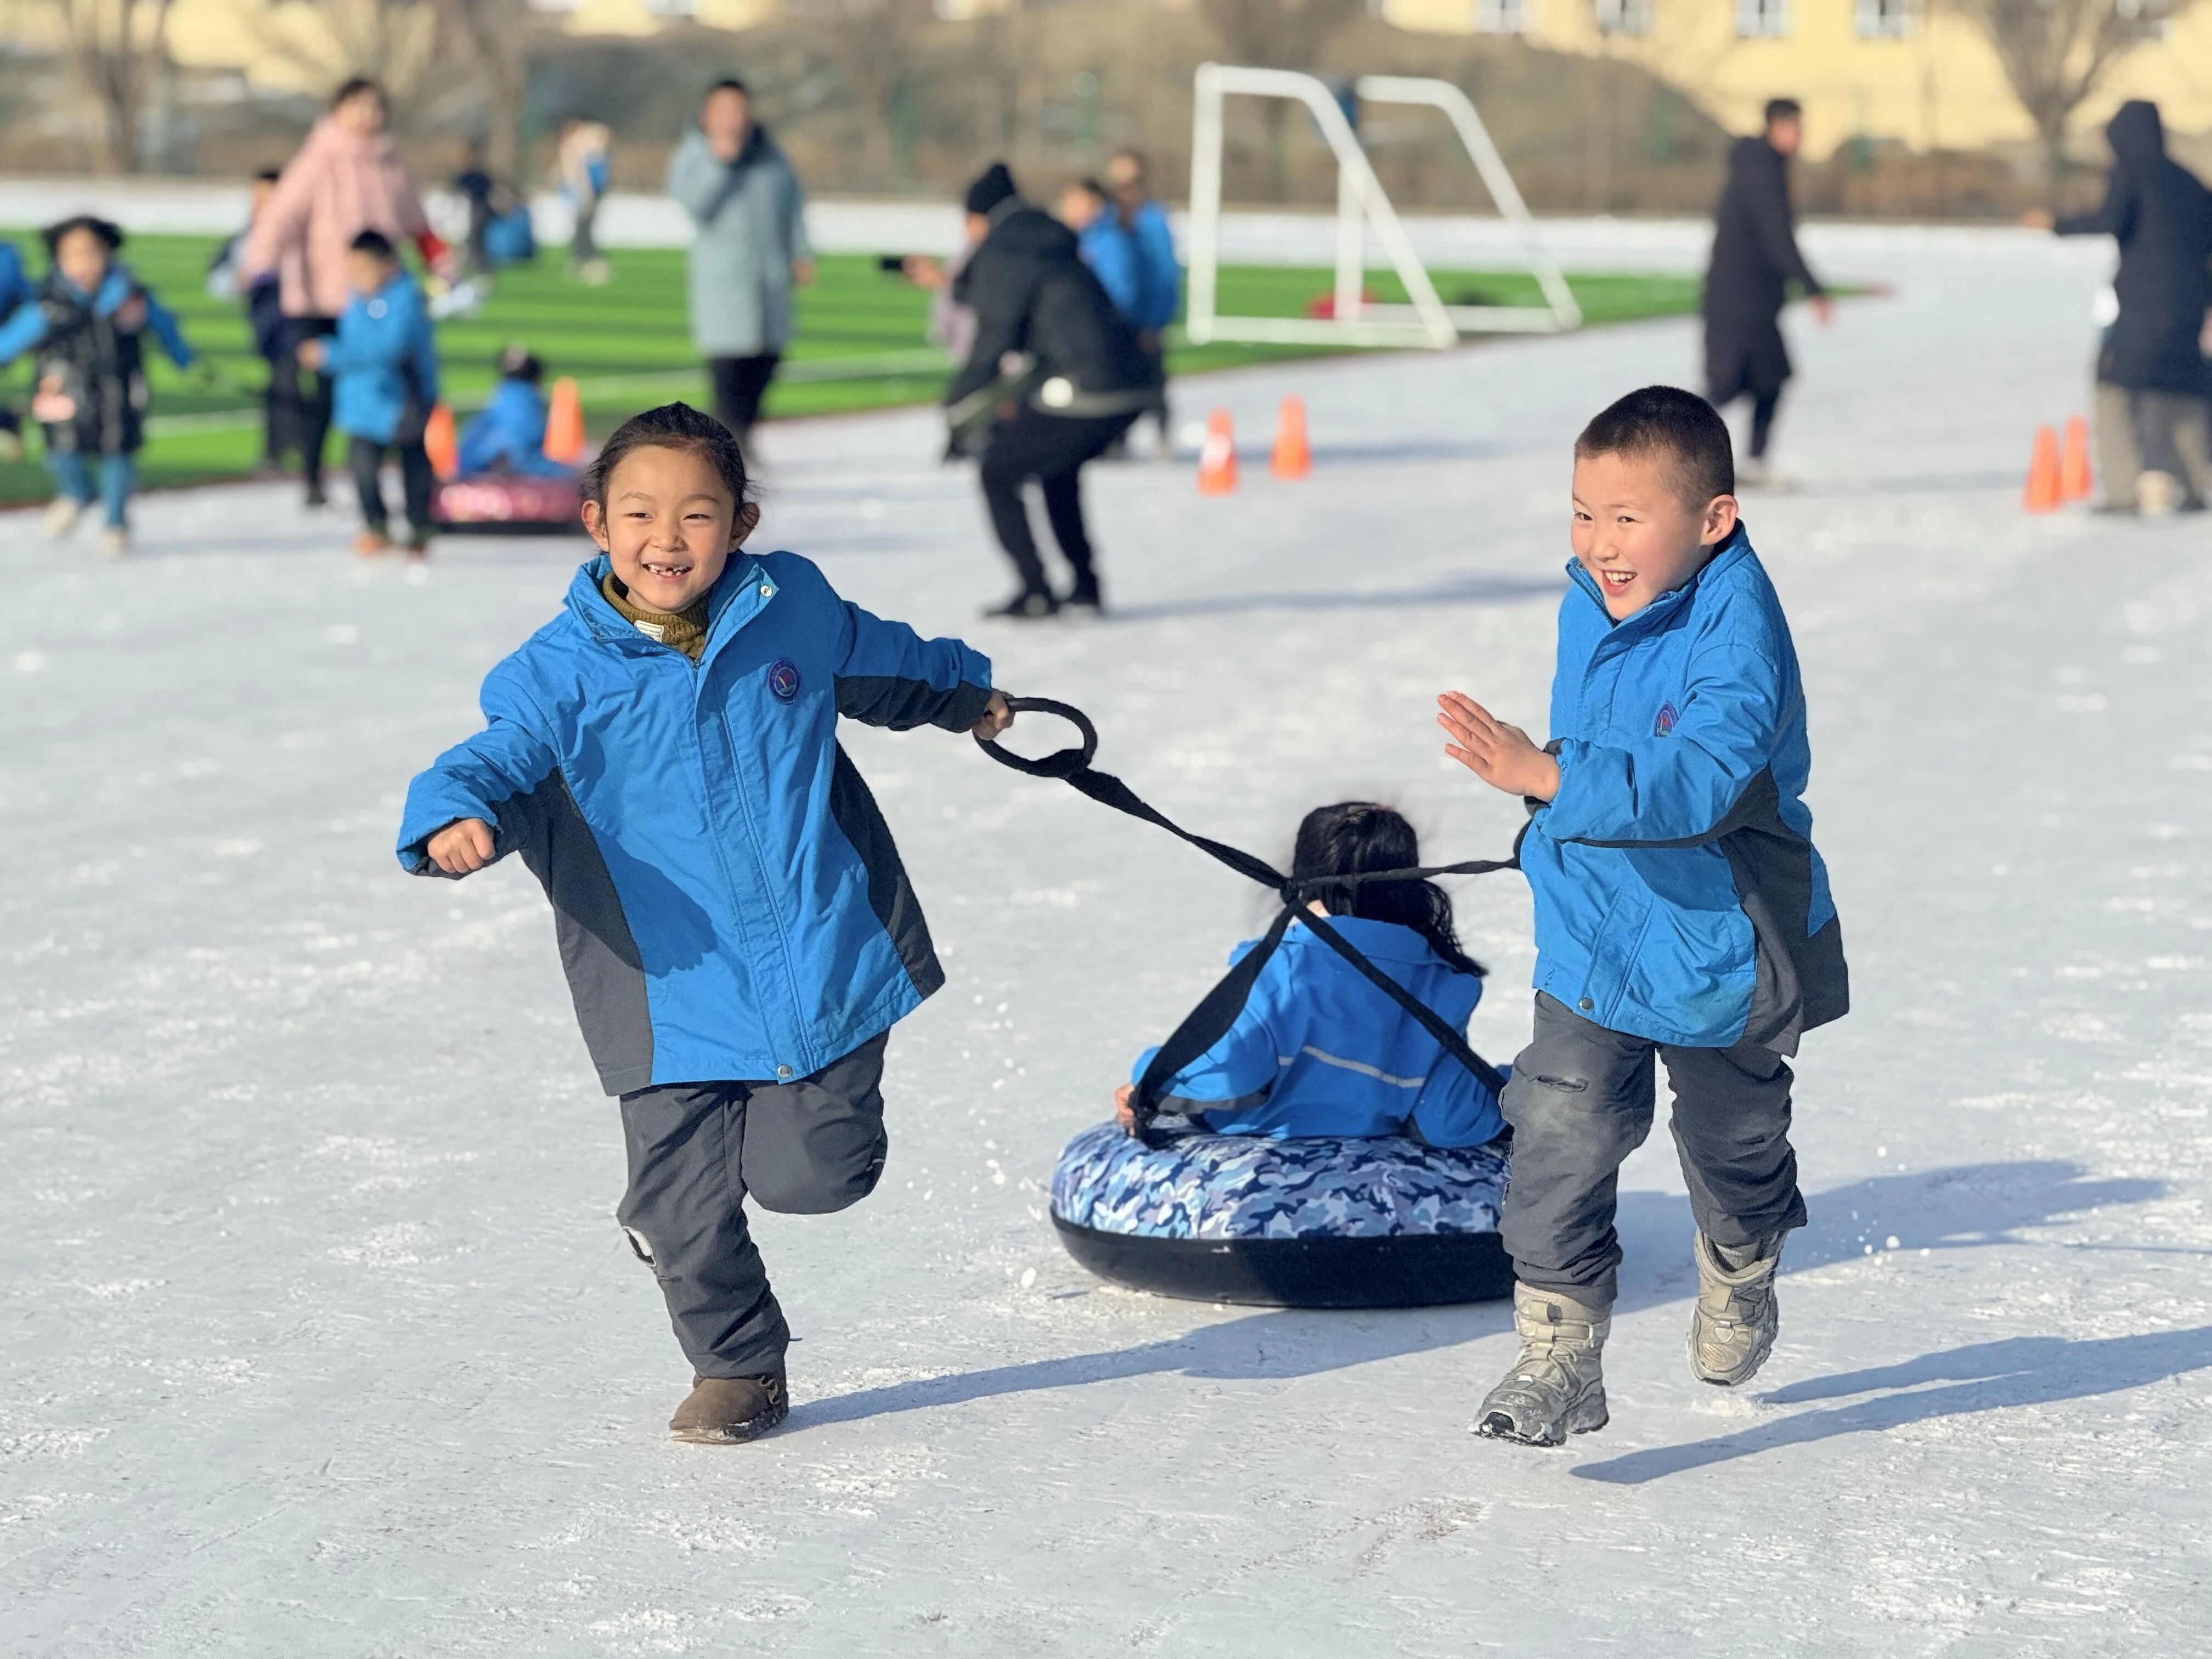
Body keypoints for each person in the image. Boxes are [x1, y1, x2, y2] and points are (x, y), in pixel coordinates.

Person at [394, 401, 1014, 1444]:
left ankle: (728, 1204)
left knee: (813, 1177)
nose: (666, 538)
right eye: (639, 513)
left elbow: (882, 660)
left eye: (696, 513)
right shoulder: (556, 674)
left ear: (742, 520)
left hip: (819, 952)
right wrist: (452, 813)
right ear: (595, 522)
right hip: (661, 981)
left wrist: (969, 693)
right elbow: (492, 759)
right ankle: (736, 1363)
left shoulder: (792, 608)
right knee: (679, 1205)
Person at [1436, 385, 1847, 1448]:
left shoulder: (1739, 627)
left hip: (1719, 935)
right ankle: (1560, 1352)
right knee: (1561, 1122)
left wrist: (1547, 774)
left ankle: (1743, 1256)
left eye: (1628, 519)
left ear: (1714, 520)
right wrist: (1549, 802)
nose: (1600, 544)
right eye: (1582, 513)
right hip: (1595, 925)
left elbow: (1701, 779)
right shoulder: (1594, 597)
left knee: (1733, 1139)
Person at [1110, 802, 1505, 1148]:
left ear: (1301, 877)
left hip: (1258, 1183)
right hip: (1382, 1202)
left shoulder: (1280, 972)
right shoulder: (1441, 985)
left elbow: (1233, 1070)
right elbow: (1448, 1120)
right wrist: (1522, 1089)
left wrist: (1149, 1081)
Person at [946, 161, 1153, 619]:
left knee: (998, 472)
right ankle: (1085, 587)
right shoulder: (1041, 237)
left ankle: (1036, 590)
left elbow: (994, 338)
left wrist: (956, 407)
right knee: (1056, 467)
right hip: (1133, 380)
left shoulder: (1007, 247)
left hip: (1087, 385)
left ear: (980, 216)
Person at [245, 77, 449, 509]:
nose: (367, 116)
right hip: (323, 299)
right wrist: (262, 267)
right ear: (338, 110)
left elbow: (417, 222)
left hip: (381, 297)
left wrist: (440, 263)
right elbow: (280, 217)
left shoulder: (392, 165)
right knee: (322, 395)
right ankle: (315, 477)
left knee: (389, 386)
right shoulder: (317, 160)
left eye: (375, 108)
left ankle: (392, 481)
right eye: (357, 106)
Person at [2051, 100, 2212, 513]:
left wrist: (2057, 225)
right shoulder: (2193, 185)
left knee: (2113, 389)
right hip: (2190, 310)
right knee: (2183, 390)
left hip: (2143, 307)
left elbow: (2110, 219)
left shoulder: (2133, 174)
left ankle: (2123, 491)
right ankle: (2198, 486)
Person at [0, 216, 193, 555]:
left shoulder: (131, 299)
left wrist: (187, 362)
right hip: (62, 392)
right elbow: (11, 341)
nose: (83, 263)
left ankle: (115, 522)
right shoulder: (47, 305)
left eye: (91, 253)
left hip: (119, 391)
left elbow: (167, 330)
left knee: (117, 453)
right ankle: (76, 493)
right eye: (73, 255)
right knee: (62, 451)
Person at [666, 80, 814, 448]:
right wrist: (721, 163)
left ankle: (743, 434)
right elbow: (696, 205)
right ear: (708, 115)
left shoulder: (772, 157)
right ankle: (727, 445)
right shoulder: (695, 156)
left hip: (770, 276)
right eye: (726, 110)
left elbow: (793, 208)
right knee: (728, 369)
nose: (734, 118)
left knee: (768, 360)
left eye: (740, 109)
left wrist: (802, 252)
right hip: (725, 283)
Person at [1701, 99, 1830, 487]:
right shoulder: (1761, 171)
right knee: (1727, 387)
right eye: (1797, 129)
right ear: (1778, 127)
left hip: (1750, 299)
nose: (1801, 138)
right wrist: (1813, 289)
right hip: (1739, 301)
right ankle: (1662, 444)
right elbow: (1778, 238)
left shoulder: (1762, 165)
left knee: (1769, 381)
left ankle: (1754, 463)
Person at [298, 230, 438, 558]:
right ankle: (377, 526)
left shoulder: (406, 300)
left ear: (388, 265)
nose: (356, 277)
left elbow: (387, 348)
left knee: (413, 462)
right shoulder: (357, 299)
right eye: (352, 270)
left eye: (363, 270)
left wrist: (330, 355)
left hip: (404, 399)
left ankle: (419, 527)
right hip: (362, 403)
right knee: (362, 469)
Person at [1103, 149, 1181, 456]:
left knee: (1151, 380)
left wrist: (1154, 321)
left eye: (1132, 181)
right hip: (1112, 315)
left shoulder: (1153, 220)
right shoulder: (1106, 218)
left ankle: (1162, 435)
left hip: (1145, 316)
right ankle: (1115, 440)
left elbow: (1165, 273)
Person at [208, 169, 286, 473]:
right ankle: (280, 451)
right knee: (280, 386)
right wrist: (239, 280)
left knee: (289, 384)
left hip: (299, 324)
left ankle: (280, 452)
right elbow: (218, 277)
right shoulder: (247, 236)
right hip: (267, 326)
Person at [458, 345, 574, 477]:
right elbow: (520, 459)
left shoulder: (500, 401)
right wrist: (565, 473)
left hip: (472, 477)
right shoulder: (524, 409)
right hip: (497, 486)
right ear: (537, 379)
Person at [556, 119, 614, 285]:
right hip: (580, 191)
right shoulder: (576, 148)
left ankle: (584, 258)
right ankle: (584, 258)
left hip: (587, 190)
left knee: (585, 225)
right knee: (582, 225)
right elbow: (575, 175)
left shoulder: (589, 148)